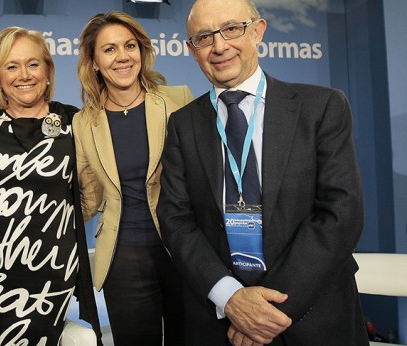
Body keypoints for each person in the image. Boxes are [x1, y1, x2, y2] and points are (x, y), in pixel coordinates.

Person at [157, 0, 368, 345]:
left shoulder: (322, 107)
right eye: (204, 37)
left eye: (231, 29)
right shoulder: (183, 124)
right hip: (220, 320)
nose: (220, 46)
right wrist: (232, 299)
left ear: (258, 31)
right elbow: (176, 220)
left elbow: (341, 213)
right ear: (192, 50)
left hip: (312, 314)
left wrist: (263, 312)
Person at [0, 26, 102, 346]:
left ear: (48, 70)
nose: (24, 75)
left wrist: (55, 220)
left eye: (33, 64)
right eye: (12, 66)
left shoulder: (71, 121)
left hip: (48, 274)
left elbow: (92, 191)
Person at [73, 11, 194, 345]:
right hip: (123, 261)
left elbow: (202, 177)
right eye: (109, 49)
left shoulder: (178, 100)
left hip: (183, 250)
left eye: (129, 45)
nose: (122, 56)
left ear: (141, 51)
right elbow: (90, 197)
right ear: (94, 62)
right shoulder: (84, 123)